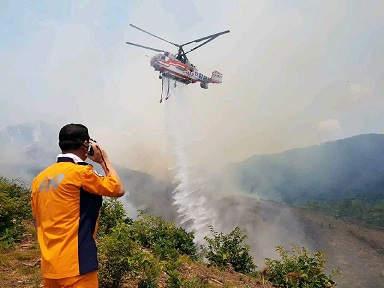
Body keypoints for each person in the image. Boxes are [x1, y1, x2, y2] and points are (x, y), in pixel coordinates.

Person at [30, 123, 125, 288]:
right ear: (86, 145)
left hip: (50, 267)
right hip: (77, 266)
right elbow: (117, 189)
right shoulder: (81, 173)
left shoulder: (39, 179)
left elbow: (36, 219)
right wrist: (103, 160)